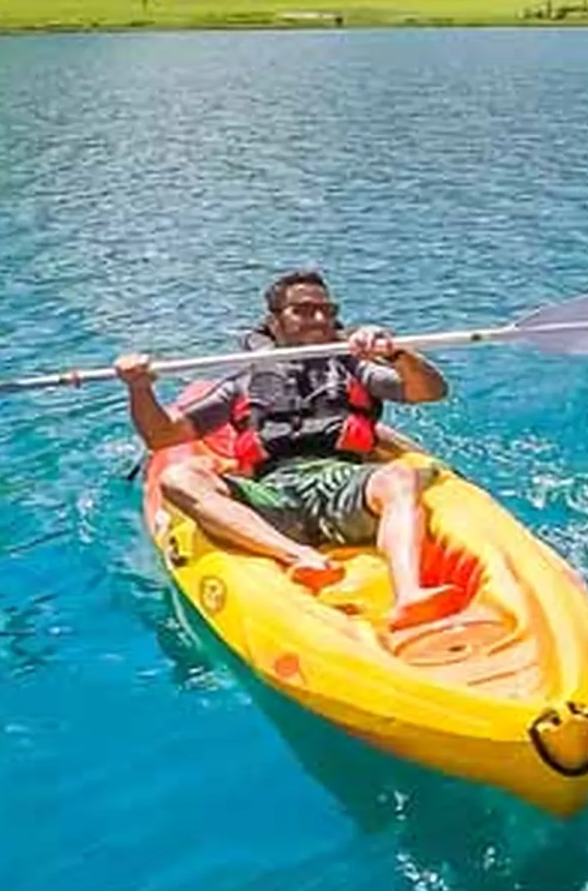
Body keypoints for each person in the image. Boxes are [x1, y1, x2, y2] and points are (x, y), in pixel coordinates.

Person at [119, 269, 471, 633]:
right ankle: (298, 555)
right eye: (302, 310)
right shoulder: (243, 381)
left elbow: (429, 392)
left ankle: (410, 595)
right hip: (273, 492)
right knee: (178, 478)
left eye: (326, 309)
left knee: (400, 475)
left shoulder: (355, 368)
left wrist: (398, 353)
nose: (318, 318)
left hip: (342, 482)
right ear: (274, 321)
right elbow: (162, 436)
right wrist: (139, 388)